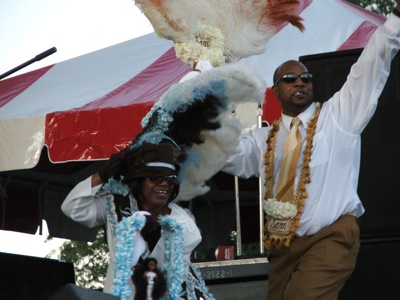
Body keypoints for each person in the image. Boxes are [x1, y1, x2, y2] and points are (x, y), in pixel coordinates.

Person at [222, 3, 400, 300]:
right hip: (283, 246)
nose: (300, 82)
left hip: (331, 236)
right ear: (275, 90)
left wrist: (395, 21)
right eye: (290, 79)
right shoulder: (263, 139)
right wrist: (205, 87)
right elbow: (224, 154)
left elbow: (370, 64)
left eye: (306, 78)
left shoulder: (338, 117)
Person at [61, 142, 214, 300]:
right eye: (155, 178)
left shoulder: (184, 225)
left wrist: (155, 235)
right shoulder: (115, 205)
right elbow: (73, 208)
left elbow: (165, 275)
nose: (164, 184)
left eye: (169, 179)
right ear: (138, 181)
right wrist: (102, 175)